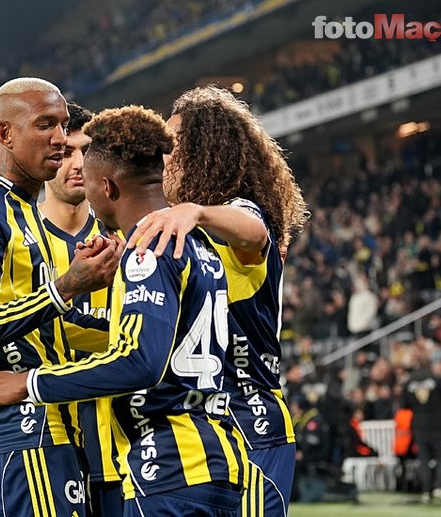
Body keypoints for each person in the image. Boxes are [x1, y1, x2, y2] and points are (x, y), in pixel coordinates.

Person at [0, 105, 248, 516]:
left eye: (88, 180)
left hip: (167, 467)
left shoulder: (147, 251)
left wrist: (28, 383)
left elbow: (138, 361)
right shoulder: (198, 247)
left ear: (106, 187)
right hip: (218, 460)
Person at [128, 86, 308, 517]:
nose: (164, 158)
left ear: (208, 151)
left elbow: (254, 230)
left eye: (174, 146)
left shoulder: (235, 213)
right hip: (209, 427)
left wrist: (197, 210)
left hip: (253, 424)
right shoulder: (186, 235)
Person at [0, 77, 121, 516]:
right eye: (45, 125)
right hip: (22, 431)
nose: (60, 138)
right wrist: (67, 286)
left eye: (62, 125)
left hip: (53, 426)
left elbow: (49, 327)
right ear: (5, 133)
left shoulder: (25, 211)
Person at [39, 101, 124, 516]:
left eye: (86, 152)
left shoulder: (127, 238)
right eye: (65, 151)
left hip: (125, 450)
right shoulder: (15, 239)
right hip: (45, 445)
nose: (76, 164)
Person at [402, 348, 441, 503]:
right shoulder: (436, 379)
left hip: (418, 424)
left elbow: (405, 404)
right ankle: (439, 486)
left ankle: (426, 490)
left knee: (424, 458)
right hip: (436, 423)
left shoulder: (409, 381)